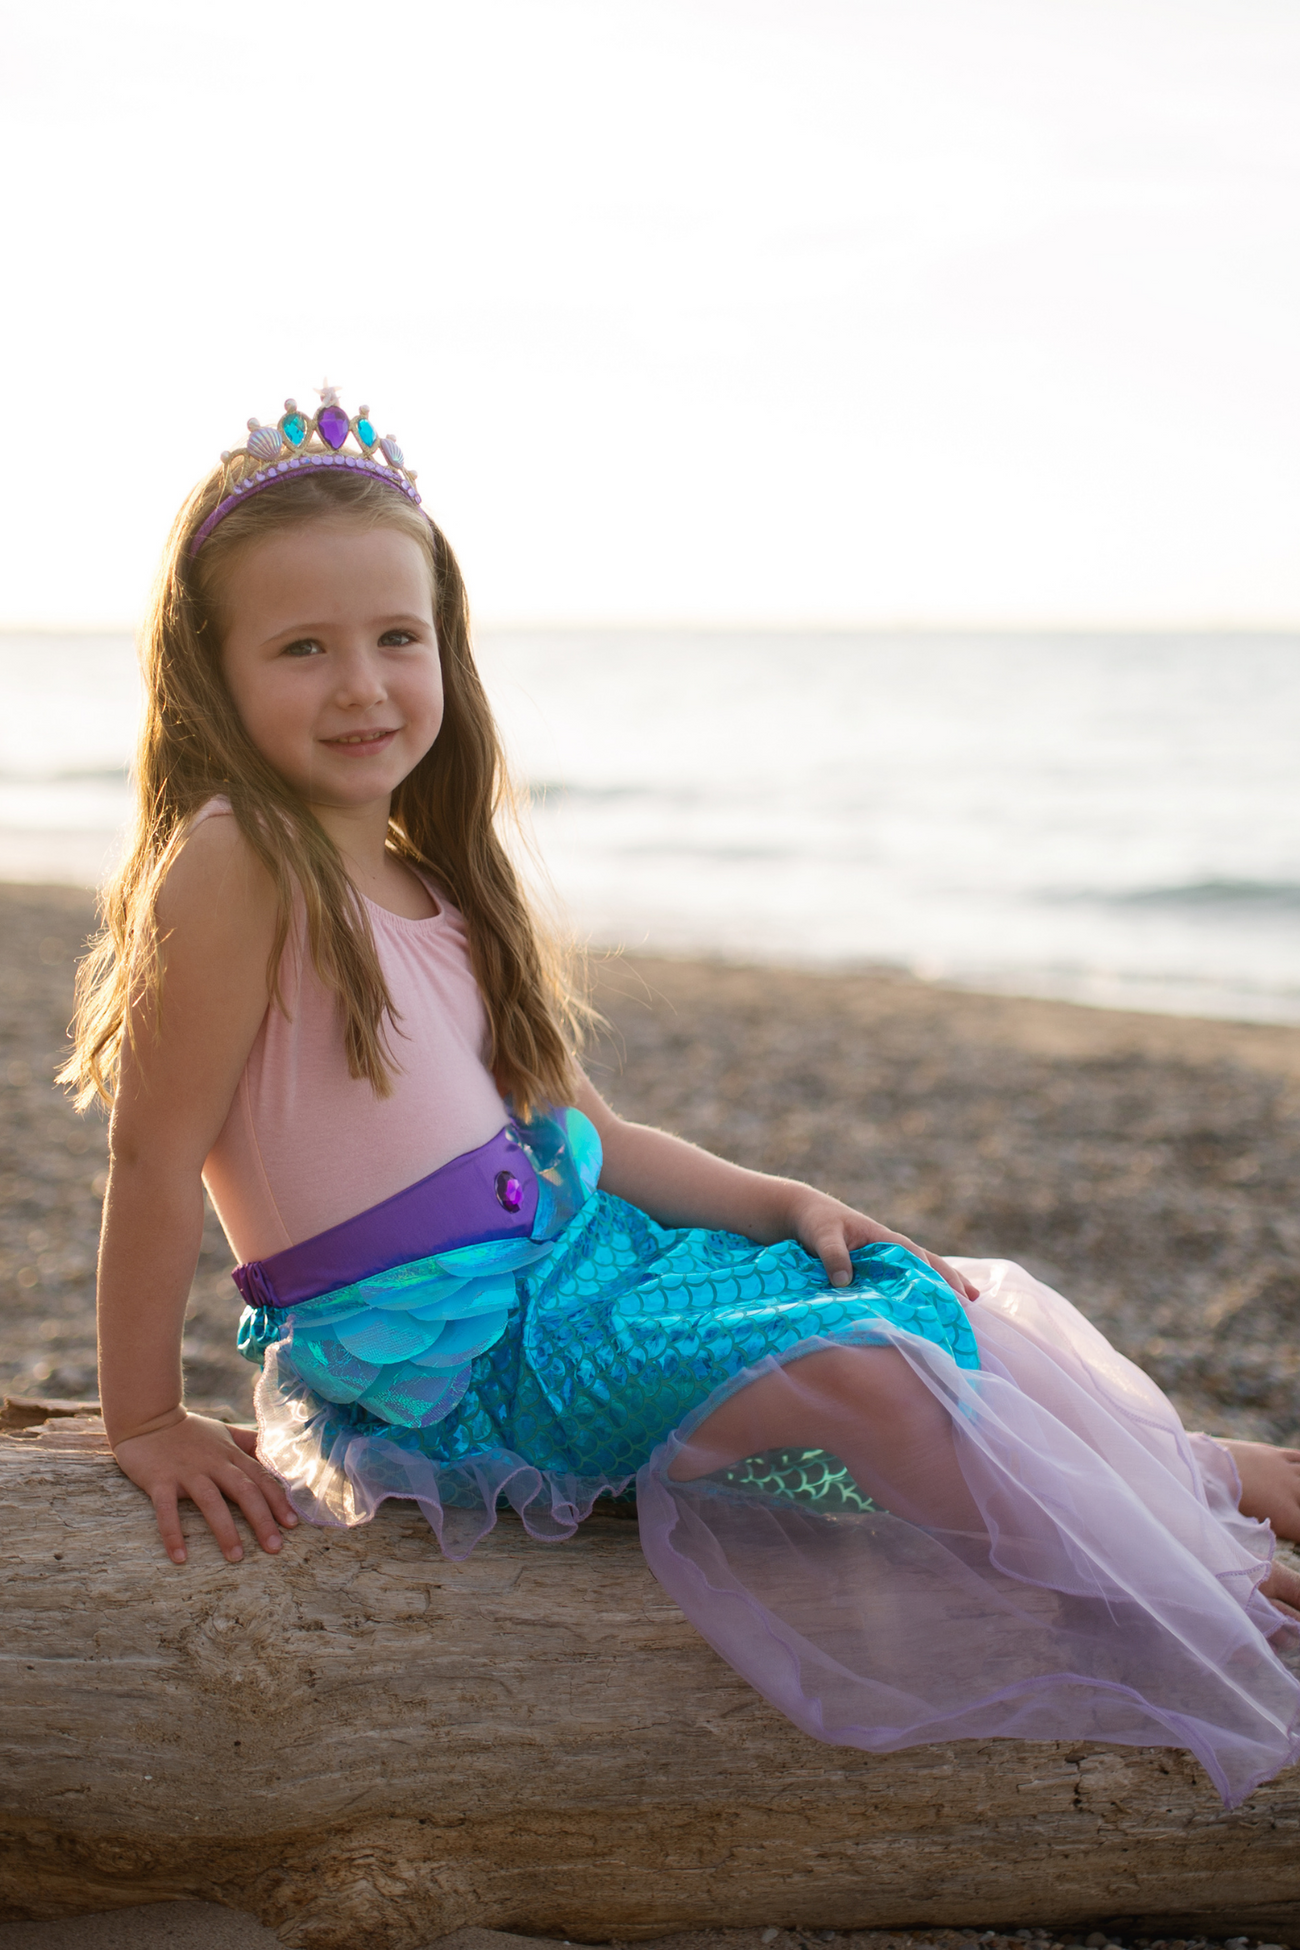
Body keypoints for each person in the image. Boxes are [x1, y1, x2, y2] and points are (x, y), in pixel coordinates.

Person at [67, 388, 1300, 1809]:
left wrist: (784, 1199)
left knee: (904, 1289)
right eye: (304, 648)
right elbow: (152, 1159)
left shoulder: (441, 876)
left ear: (447, 651)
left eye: (397, 638)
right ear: (213, 676)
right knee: (858, 1373)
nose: (364, 684)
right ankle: (1155, 1576)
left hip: (572, 1266)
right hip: (452, 1358)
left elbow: (587, 1131)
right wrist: (145, 1419)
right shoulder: (235, 860)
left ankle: (1187, 1467)